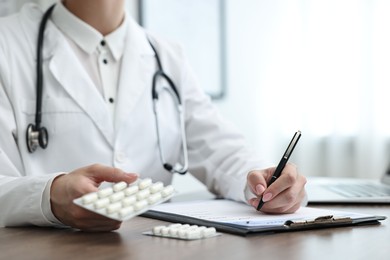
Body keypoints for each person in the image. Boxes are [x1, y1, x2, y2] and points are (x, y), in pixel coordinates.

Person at [0, 0, 307, 232]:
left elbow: (223, 153)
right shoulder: (8, 44)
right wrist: (47, 196)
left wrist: (265, 183)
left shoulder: (167, 55)